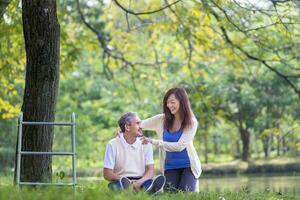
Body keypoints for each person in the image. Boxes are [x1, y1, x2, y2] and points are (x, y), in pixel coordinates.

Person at [141, 87, 202, 192]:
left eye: (172, 102)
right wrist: (122, 128)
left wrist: (153, 141)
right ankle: (152, 192)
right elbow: (138, 125)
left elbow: (179, 147)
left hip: (189, 166)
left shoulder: (191, 122)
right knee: (170, 194)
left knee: (185, 192)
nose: (169, 105)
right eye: (167, 102)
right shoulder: (161, 119)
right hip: (170, 167)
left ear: (182, 102)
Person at [103, 112, 166, 195]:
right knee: (117, 188)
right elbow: (107, 174)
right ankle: (137, 192)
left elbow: (150, 170)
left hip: (142, 180)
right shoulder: (112, 144)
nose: (141, 126)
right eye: (137, 123)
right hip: (120, 180)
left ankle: (149, 190)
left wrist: (139, 182)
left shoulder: (146, 143)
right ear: (127, 127)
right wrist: (126, 181)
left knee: (148, 184)